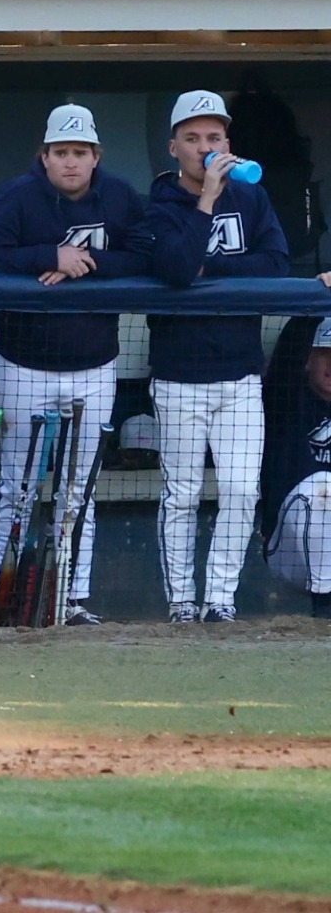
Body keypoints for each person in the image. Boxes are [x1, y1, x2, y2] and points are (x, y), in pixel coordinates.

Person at [0, 104, 150, 626]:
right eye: (61, 152)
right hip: (23, 363)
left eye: (81, 153)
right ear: (44, 156)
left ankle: (70, 598)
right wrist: (48, 254)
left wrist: (83, 264)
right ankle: (6, 598)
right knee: (15, 488)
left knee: (78, 490)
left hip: (95, 363)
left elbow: (146, 254)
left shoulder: (117, 196)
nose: (71, 162)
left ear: (96, 157)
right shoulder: (15, 196)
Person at [146, 90, 289, 624]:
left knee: (240, 490)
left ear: (227, 142)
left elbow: (275, 264)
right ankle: (181, 601)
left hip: (240, 371)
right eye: (193, 138)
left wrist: (217, 272)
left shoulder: (253, 199)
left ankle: (220, 599)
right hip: (180, 374)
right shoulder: (160, 202)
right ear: (174, 147)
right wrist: (206, 198)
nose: (205, 147)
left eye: (214, 138)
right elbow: (179, 268)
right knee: (181, 495)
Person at [261, 319, 331, 618]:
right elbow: (287, 355)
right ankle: (326, 610)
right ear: (306, 359)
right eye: (325, 353)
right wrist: (317, 297)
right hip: (290, 548)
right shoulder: (284, 401)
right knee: (323, 491)